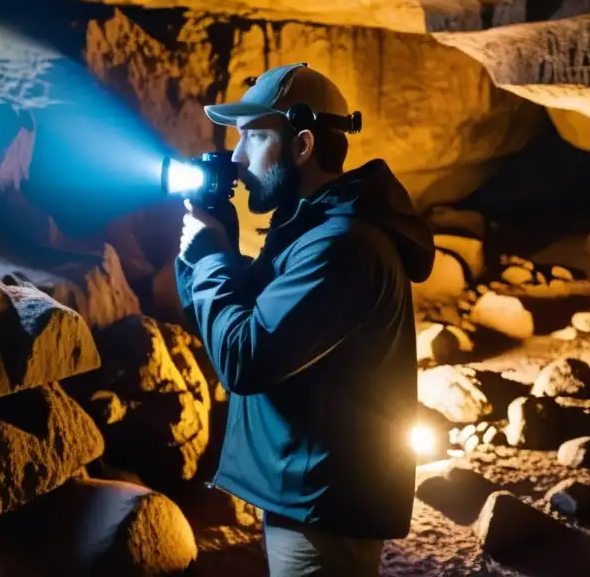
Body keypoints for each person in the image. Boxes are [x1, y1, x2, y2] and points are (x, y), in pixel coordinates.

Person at [174, 62, 435, 576]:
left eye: (253, 136)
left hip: (324, 504)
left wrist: (210, 260)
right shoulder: (308, 230)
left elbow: (245, 357)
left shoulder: (340, 245)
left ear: (302, 146)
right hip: (306, 486)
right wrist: (211, 247)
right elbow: (228, 313)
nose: (237, 155)